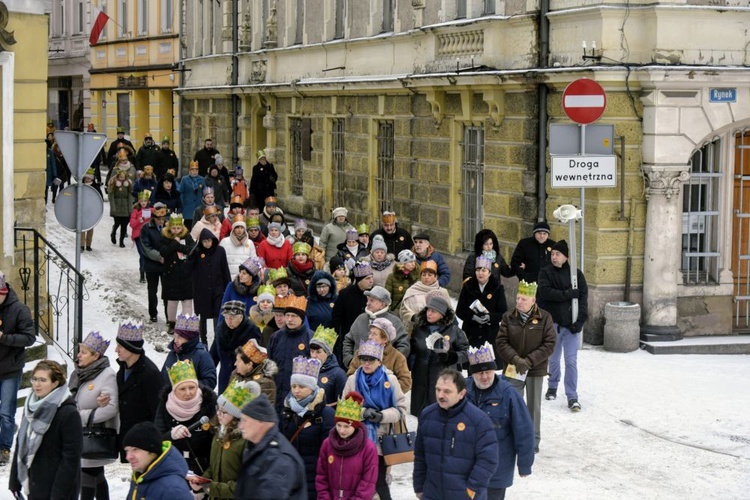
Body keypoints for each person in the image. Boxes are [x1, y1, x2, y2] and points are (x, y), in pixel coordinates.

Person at [413, 369, 499, 500]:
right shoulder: (427, 415)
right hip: (432, 494)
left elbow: (488, 459)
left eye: (447, 391)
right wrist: (419, 487)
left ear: (462, 393)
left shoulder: (478, 420)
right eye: (438, 390)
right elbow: (420, 455)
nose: (440, 395)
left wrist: (471, 490)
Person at [465, 343, 535, 499]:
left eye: (488, 372)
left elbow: (524, 430)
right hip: (466, 469)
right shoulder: (462, 390)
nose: (484, 377)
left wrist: (524, 464)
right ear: (472, 374)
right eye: (480, 373)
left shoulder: (508, 394)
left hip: (497, 470)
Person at [496, 280, 557, 453]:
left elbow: (549, 344)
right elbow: (501, 342)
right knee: (512, 403)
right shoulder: (508, 317)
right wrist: (516, 359)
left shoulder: (545, 318)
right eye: (518, 298)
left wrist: (529, 361)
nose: (519, 302)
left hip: (535, 369)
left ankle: (532, 441)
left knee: (533, 407)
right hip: (513, 368)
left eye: (523, 299)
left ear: (533, 301)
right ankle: (511, 439)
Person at [342, 340, 407, 500]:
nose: (366, 363)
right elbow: (343, 410)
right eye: (363, 359)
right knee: (355, 482)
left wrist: (382, 416)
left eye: (370, 360)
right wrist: (363, 412)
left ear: (379, 360)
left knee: (379, 483)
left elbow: (401, 409)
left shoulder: (390, 381)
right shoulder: (353, 380)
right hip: (356, 439)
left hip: (381, 441)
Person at [9, 360, 82, 499]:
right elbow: (21, 443)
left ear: (55, 383)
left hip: (58, 488)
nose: (37, 384)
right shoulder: (30, 407)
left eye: (43, 380)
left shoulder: (68, 413)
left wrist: (58, 495)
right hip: (35, 484)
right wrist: (15, 481)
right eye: (35, 379)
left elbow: (71, 459)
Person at [537, 239, 588, 412]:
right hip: (553, 324)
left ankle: (572, 395)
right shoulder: (545, 273)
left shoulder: (576, 275)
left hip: (571, 326)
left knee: (571, 361)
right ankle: (552, 386)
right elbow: (544, 292)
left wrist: (580, 322)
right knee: (553, 358)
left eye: (557, 254)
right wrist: (567, 294)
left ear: (566, 256)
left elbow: (583, 300)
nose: (554, 257)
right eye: (552, 254)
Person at [189, 380, 259, 499]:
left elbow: (246, 485)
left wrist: (212, 487)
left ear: (237, 417)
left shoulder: (246, 441)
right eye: (218, 409)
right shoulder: (218, 434)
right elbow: (214, 467)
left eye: (224, 412)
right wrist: (201, 482)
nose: (219, 414)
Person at [71, 332, 119, 500]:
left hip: (95, 435)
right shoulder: (82, 373)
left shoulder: (107, 374)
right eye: (79, 351)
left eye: (83, 352)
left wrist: (83, 416)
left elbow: (112, 408)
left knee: (87, 474)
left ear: (96, 355)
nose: (78, 355)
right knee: (96, 476)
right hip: (83, 434)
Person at [280, 356, 335, 500]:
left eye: (301, 386)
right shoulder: (286, 411)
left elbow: (329, 450)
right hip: (289, 477)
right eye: (294, 386)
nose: (296, 391)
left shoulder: (326, 414)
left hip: (314, 479)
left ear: (311, 388)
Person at [111, 320, 165, 462]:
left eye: (120, 346)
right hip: (129, 436)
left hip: (144, 441)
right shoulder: (122, 369)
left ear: (131, 348)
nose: (116, 350)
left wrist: (153, 443)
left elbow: (158, 411)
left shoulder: (150, 374)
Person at [235, 394, 307, 499]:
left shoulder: (279, 459)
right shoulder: (256, 448)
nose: (240, 426)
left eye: (244, 420)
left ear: (260, 421)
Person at [409, 295, 469, 416]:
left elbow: (466, 353)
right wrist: (411, 362)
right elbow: (412, 349)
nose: (429, 314)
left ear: (442, 314)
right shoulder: (419, 329)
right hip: (420, 379)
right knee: (420, 417)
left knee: (441, 414)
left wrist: (451, 357)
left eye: (433, 311)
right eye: (428, 310)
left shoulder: (454, 331)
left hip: (444, 378)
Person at [155, 360, 218, 474]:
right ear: (174, 390)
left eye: (192, 387)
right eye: (182, 389)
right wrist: (171, 435)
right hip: (174, 465)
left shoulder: (209, 403)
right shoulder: (165, 405)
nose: (188, 393)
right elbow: (157, 436)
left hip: (203, 465)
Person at [0, 271, 36, 465]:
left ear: (3, 291)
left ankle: (4, 448)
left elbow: (30, 337)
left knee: (6, 413)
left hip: (10, 370)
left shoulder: (19, 309)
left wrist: (4, 337)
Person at [315, 391, 378, 499]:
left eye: (346, 426)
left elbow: (368, 482)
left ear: (356, 425)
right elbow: (322, 476)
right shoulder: (327, 444)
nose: (341, 430)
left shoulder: (368, 448)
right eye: (339, 425)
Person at [342, 285, 410, 368]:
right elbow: (348, 341)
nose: (367, 303)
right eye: (368, 300)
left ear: (382, 304)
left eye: (372, 300)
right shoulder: (360, 319)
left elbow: (404, 346)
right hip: (358, 371)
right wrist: (349, 361)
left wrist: (390, 364)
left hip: (385, 375)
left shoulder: (395, 322)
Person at [122, 421, 193, 499]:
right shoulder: (140, 477)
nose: (128, 457)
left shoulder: (173, 490)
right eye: (127, 450)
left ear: (152, 451)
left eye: (135, 449)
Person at [268, 295, 314, 414]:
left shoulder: (311, 337)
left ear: (302, 318)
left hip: (300, 397)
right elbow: (269, 364)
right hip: (278, 393)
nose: (289, 319)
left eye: (294, 316)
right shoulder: (276, 337)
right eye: (287, 315)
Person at [347, 317, 412, 394]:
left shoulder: (397, 357)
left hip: (386, 402)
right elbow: (350, 375)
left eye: (374, 334)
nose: (369, 337)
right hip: (362, 397)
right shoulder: (360, 352)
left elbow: (406, 382)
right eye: (370, 333)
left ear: (385, 339)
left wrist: (384, 389)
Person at [189, 229, 231, 344]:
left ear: (213, 240)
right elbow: (189, 268)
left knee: (217, 314)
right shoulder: (198, 252)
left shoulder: (220, 251)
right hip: (201, 290)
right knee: (203, 315)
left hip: (217, 288)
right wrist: (193, 253)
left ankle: (217, 338)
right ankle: (204, 339)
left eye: (209, 241)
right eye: (204, 241)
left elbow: (225, 270)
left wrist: (228, 288)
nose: (207, 243)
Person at [456, 256, 509, 348]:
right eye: (478, 270)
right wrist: (473, 317)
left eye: (484, 270)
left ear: (489, 273)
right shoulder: (468, 287)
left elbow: (503, 313)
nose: (480, 273)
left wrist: (490, 317)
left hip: (490, 335)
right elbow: (460, 311)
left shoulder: (497, 288)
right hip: (470, 333)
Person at [211, 300, 262, 394]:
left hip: (244, 378)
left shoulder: (252, 330)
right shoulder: (220, 330)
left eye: (232, 317)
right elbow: (213, 355)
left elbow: (257, 359)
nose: (228, 321)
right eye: (226, 318)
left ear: (241, 317)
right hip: (224, 377)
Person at [331, 262, 373, 367]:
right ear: (359, 280)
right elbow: (336, 318)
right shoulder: (345, 294)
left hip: (371, 338)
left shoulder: (374, 294)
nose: (371, 281)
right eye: (367, 278)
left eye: (372, 277)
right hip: (350, 339)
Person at [160, 213, 195, 334]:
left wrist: (178, 246)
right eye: (173, 228)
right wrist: (174, 243)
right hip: (171, 274)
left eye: (178, 228)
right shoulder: (165, 237)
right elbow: (164, 252)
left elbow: (192, 250)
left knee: (187, 301)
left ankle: (185, 323)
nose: (176, 230)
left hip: (186, 274)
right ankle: (172, 322)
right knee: (172, 301)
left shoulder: (187, 236)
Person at [161, 314, 218, 390]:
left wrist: (189, 385)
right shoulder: (173, 353)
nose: (175, 340)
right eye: (175, 336)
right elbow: (163, 376)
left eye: (179, 337)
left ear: (189, 338)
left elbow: (210, 381)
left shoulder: (202, 355)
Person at [399, 260, 451, 331]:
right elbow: (403, 311)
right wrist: (414, 317)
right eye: (424, 275)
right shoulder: (411, 291)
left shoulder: (442, 292)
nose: (426, 277)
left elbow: (449, 311)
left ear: (435, 277)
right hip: (415, 330)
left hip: (439, 330)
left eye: (430, 275)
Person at [140, 202, 169, 323]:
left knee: (167, 292)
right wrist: (159, 257)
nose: (161, 221)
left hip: (166, 265)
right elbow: (146, 248)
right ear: (154, 218)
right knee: (152, 291)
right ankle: (153, 313)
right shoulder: (146, 228)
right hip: (152, 265)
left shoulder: (168, 228)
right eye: (159, 219)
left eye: (163, 219)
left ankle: (169, 316)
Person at [231, 338, 278, 405]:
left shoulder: (265, 383)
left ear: (249, 364)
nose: (235, 364)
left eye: (238, 361)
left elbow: (263, 411)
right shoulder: (235, 374)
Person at [309, 326, 347, 405]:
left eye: (318, 352)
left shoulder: (338, 374)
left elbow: (342, 402)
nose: (314, 355)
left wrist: (323, 408)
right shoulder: (305, 369)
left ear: (328, 353)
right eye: (312, 351)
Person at [220, 215, 257, 281]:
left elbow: (254, 263)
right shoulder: (224, 242)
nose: (239, 230)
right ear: (233, 228)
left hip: (245, 281)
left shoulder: (249, 243)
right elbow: (219, 263)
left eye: (242, 227)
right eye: (237, 227)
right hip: (228, 280)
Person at [130, 190, 153, 282]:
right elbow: (132, 224)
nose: (143, 203)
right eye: (141, 201)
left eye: (145, 201)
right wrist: (138, 221)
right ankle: (142, 274)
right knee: (142, 254)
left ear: (148, 201)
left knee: (149, 254)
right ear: (139, 201)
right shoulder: (136, 211)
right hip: (138, 235)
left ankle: (149, 272)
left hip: (148, 235)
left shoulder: (151, 210)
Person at [107, 167, 132, 248]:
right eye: (120, 177)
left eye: (123, 177)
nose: (122, 178)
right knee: (117, 223)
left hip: (125, 206)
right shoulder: (114, 183)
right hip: (117, 206)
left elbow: (129, 197)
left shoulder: (127, 184)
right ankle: (113, 232)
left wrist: (130, 208)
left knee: (124, 225)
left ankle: (121, 241)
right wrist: (113, 208)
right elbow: (111, 196)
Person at [180, 161, 206, 230]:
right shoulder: (184, 179)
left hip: (199, 206)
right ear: (189, 170)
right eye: (192, 169)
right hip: (188, 207)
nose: (195, 171)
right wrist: (183, 203)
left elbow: (205, 193)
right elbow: (181, 193)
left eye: (196, 169)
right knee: (188, 228)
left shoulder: (202, 179)